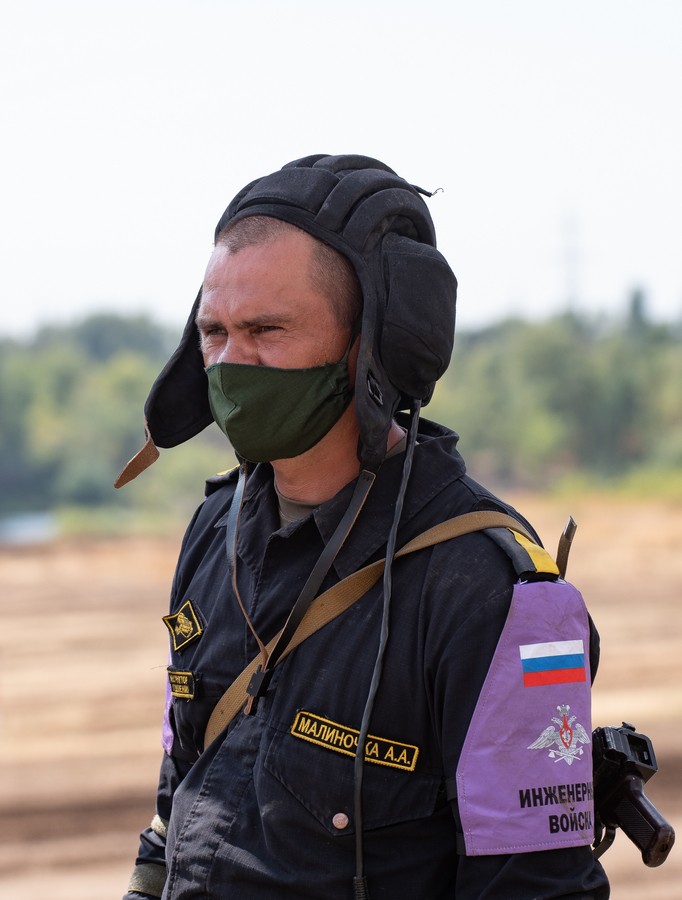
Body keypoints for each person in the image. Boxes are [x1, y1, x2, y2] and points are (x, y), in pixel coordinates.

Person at [117, 154, 610, 899]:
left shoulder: (498, 596)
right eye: (214, 332)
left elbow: (540, 886)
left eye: (267, 329)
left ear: (374, 345)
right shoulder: (215, 532)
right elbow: (177, 800)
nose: (230, 365)